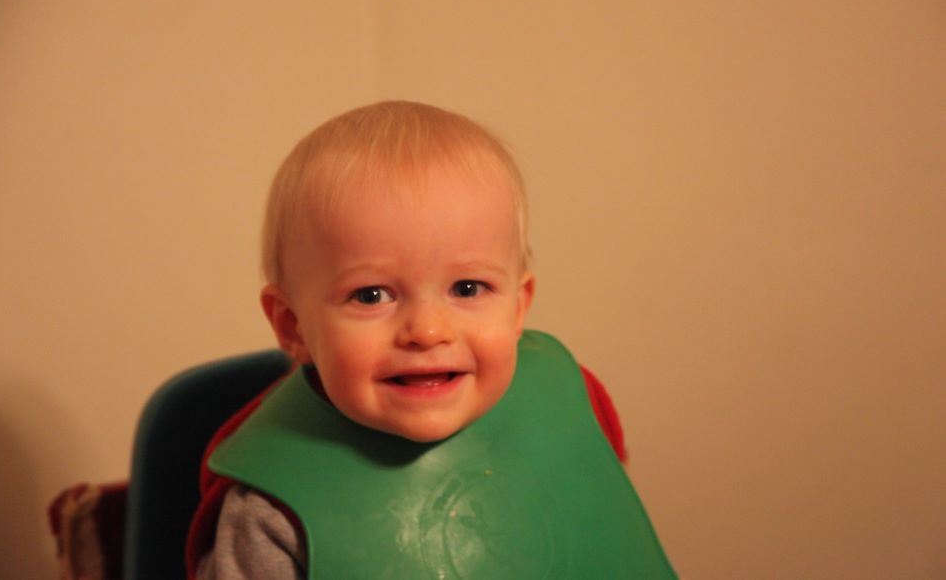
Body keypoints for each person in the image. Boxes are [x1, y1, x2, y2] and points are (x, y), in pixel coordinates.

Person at [186, 101, 676, 579]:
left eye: (468, 288)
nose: (427, 331)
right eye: (371, 295)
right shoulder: (273, 511)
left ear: (518, 307)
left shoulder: (566, 411)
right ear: (293, 326)